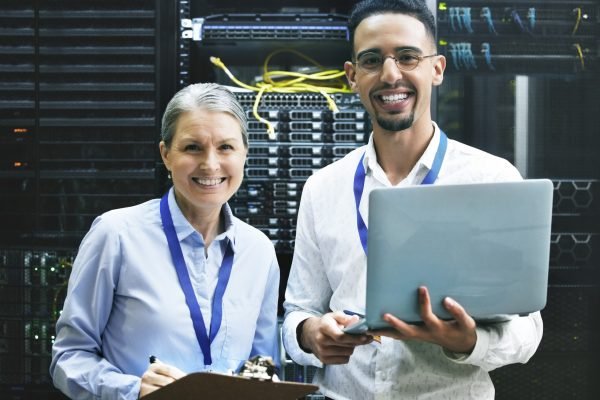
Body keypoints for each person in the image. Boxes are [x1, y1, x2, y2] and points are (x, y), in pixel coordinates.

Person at [282, 1, 543, 399]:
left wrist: (468, 342)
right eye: (372, 60)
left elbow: (528, 330)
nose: (390, 75)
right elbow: (297, 312)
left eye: (407, 57)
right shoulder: (323, 187)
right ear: (353, 76)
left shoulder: (491, 179)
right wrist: (309, 334)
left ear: (436, 69)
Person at [50, 83, 280, 399]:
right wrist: (133, 391)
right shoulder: (116, 234)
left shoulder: (259, 251)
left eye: (226, 147)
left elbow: (263, 361)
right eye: (192, 148)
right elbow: (68, 357)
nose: (211, 164)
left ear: (244, 154)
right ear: (166, 155)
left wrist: (263, 381)